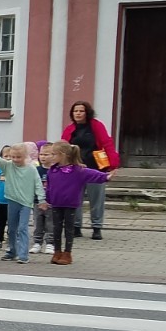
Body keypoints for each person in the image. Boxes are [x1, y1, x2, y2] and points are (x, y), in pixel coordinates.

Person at [43, 141, 110, 265]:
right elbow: (49, 187)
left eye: (53, 154)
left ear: (62, 155)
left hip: (70, 204)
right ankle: (57, 252)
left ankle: (67, 253)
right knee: (56, 229)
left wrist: (106, 176)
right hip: (56, 204)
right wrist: (47, 200)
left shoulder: (78, 170)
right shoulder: (52, 171)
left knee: (69, 229)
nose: (51, 157)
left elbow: (92, 174)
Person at [61, 101, 119, 240]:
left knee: (96, 199)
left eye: (81, 111)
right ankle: (76, 227)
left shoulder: (96, 126)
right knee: (75, 199)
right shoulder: (70, 129)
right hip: (76, 169)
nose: (78, 113)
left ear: (87, 112)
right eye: (75, 111)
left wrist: (113, 165)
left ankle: (97, 227)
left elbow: (107, 143)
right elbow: (63, 148)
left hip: (95, 168)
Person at [0, 143, 45, 264]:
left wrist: (42, 199)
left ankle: (23, 255)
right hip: (12, 200)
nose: (15, 160)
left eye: (18, 157)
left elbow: (38, 184)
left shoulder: (31, 169)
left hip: (26, 203)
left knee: (22, 228)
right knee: (11, 229)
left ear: (25, 156)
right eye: (13, 157)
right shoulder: (8, 166)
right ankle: (12, 251)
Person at [32, 141, 56, 254]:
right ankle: (37, 243)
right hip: (37, 202)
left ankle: (50, 243)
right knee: (38, 223)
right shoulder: (36, 170)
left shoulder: (56, 170)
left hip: (51, 203)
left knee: (50, 224)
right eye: (41, 154)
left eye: (46, 154)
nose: (43, 157)